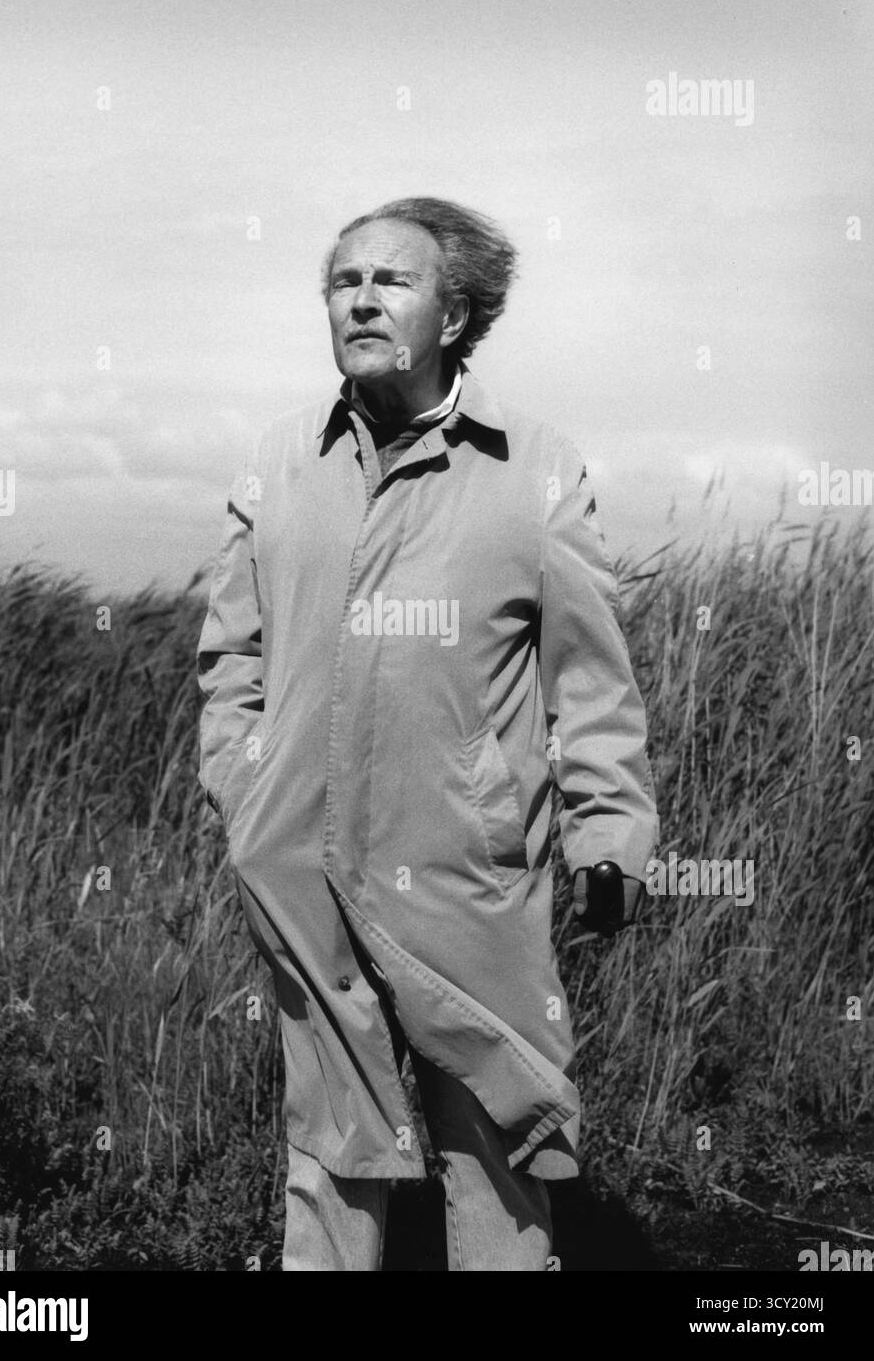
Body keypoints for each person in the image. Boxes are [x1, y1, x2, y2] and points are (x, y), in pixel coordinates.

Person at [196, 197, 658, 1271]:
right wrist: (243, 785)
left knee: (500, 1141)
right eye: (341, 280)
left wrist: (608, 833)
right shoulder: (279, 465)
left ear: (454, 317)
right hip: (300, 866)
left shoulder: (528, 468)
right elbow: (230, 658)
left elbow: (591, 680)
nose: (358, 296)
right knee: (328, 1148)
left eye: (390, 280)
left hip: (468, 871)